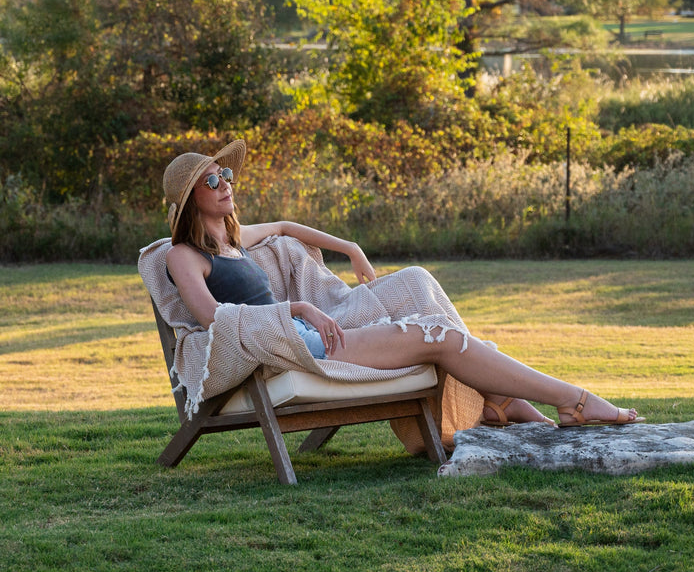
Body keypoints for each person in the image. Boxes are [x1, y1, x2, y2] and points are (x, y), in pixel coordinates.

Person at [160, 140, 638, 429]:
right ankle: (568, 401)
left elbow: (285, 227)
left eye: (224, 174)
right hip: (297, 348)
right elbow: (211, 318)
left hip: (312, 338)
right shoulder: (182, 255)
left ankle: (517, 400)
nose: (225, 183)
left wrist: (350, 248)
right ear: (190, 203)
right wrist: (299, 311)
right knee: (438, 335)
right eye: (211, 180)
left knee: (434, 324)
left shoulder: (237, 239)